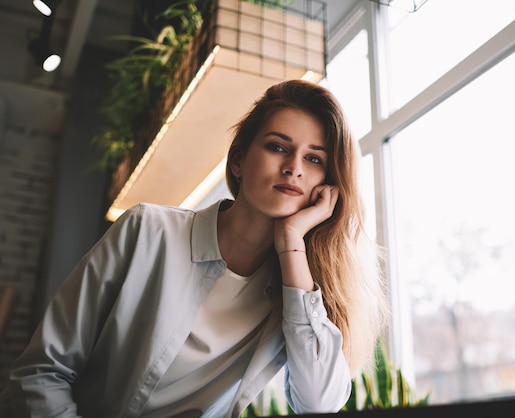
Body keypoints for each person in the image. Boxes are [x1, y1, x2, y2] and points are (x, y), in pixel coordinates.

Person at [6, 79, 388, 417]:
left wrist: (292, 242)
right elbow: (41, 372)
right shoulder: (147, 230)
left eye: (314, 159)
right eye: (277, 147)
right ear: (238, 161)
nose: (294, 168)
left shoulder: (297, 290)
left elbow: (319, 403)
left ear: (328, 183)